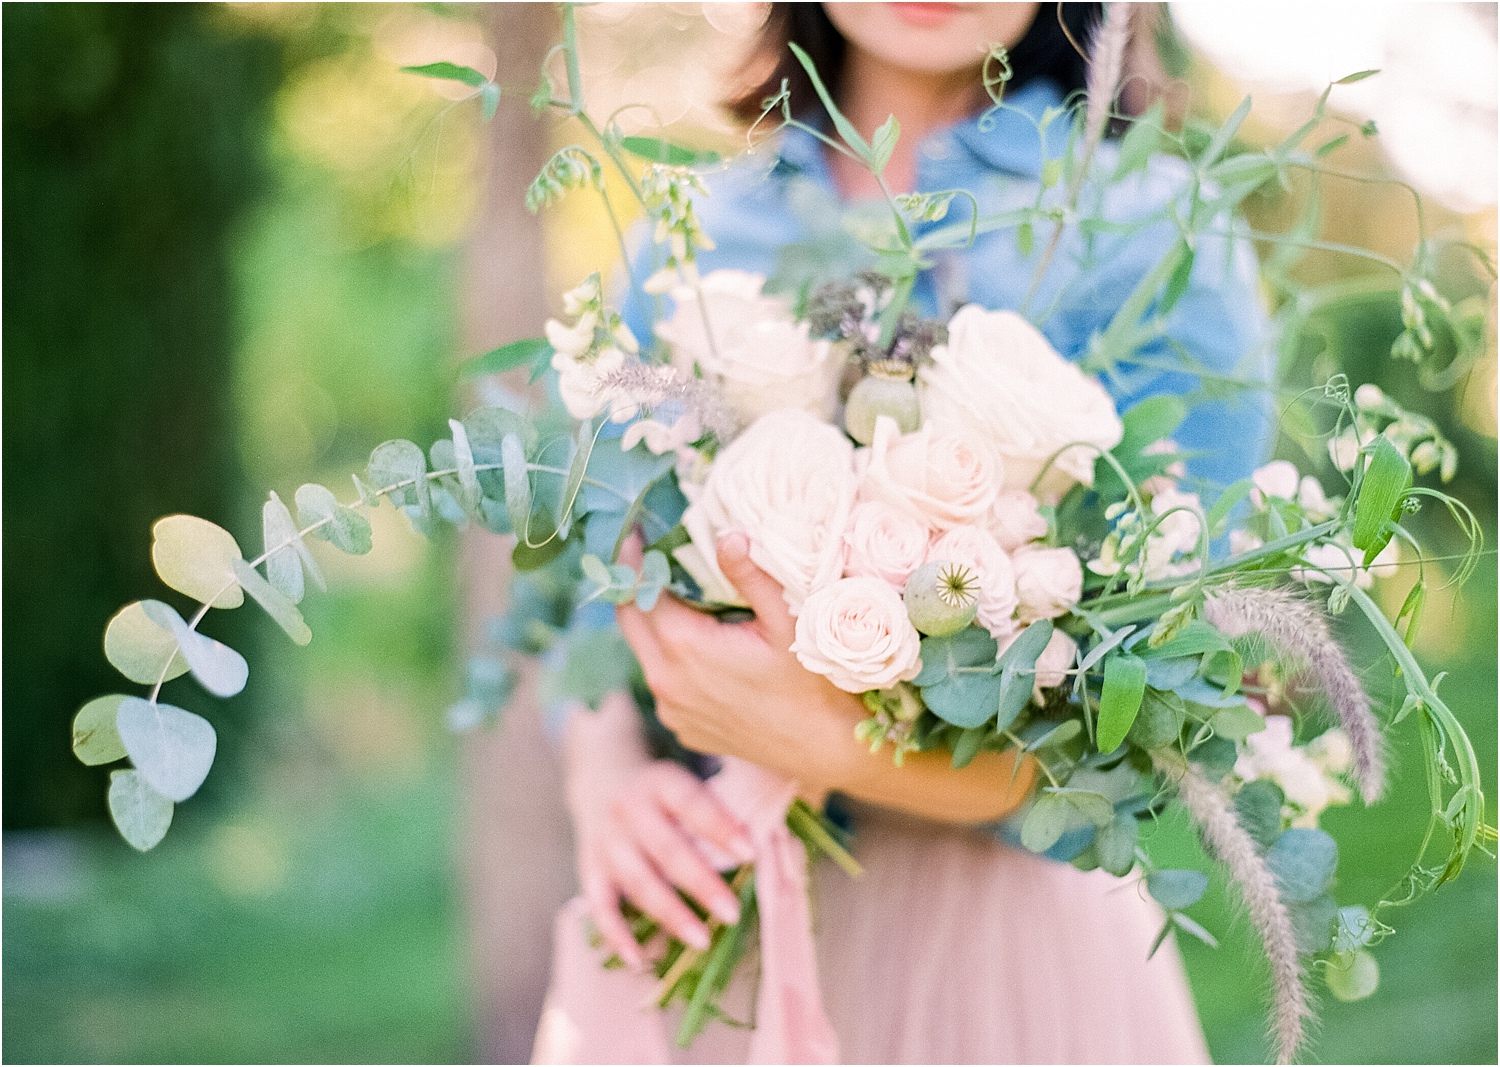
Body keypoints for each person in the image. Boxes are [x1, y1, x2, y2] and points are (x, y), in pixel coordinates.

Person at [539, 4, 1271, 1062]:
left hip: (1006, 956)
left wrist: (828, 745)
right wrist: (603, 780)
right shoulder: (695, 226)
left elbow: (1161, 724)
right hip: (717, 911)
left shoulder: (1157, 226)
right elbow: (595, 574)